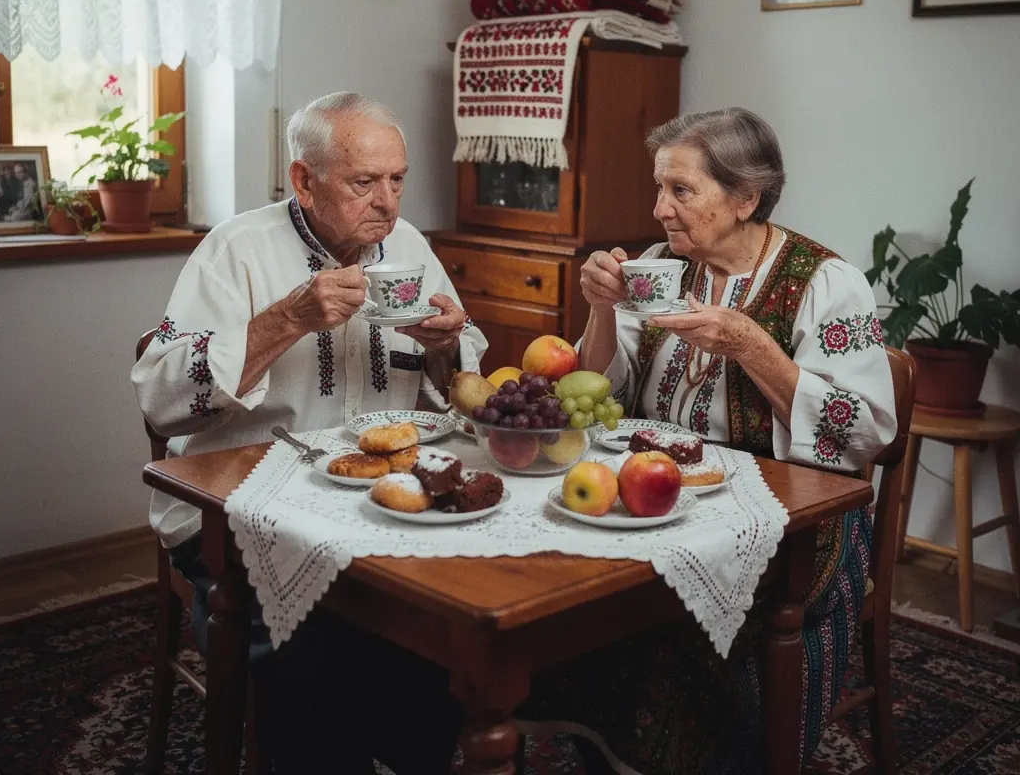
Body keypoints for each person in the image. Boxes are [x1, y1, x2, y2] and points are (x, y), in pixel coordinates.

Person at [515, 108, 896, 775]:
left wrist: (753, 346)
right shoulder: (660, 266)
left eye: (681, 190)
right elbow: (599, 391)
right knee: (559, 591)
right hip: (657, 498)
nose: (659, 208)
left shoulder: (825, 285)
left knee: (666, 628)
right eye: (659, 187)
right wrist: (601, 308)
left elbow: (862, 432)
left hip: (788, 524)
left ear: (746, 197)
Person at [131, 92, 487, 774]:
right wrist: (287, 319)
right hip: (240, 513)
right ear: (304, 179)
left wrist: (446, 345)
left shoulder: (409, 249)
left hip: (375, 507)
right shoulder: (237, 249)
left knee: (453, 630)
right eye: (364, 182)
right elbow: (162, 394)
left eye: (398, 179)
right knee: (310, 655)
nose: (388, 203)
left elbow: (460, 382)